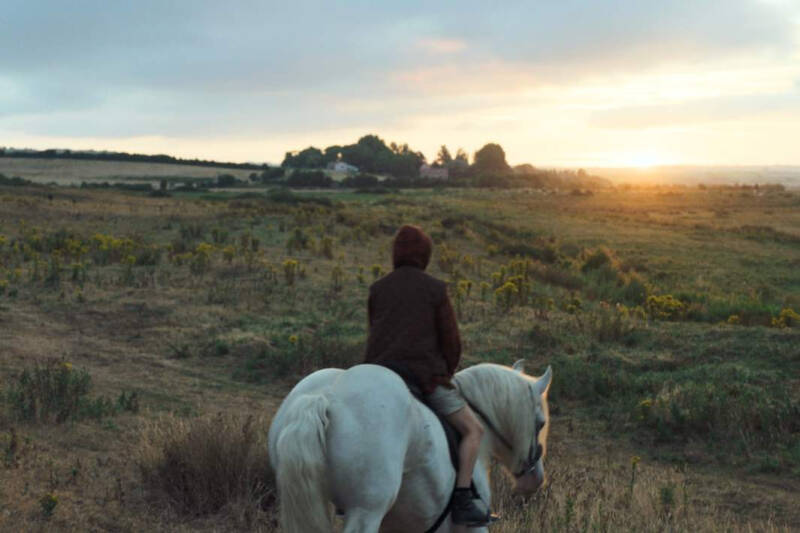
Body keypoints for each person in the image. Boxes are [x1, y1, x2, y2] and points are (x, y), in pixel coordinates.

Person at [364, 224, 497, 527]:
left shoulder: (378, 288)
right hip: (423, 377)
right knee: (474, 430)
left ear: (395, 254)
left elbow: (375, 332)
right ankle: (463, 498)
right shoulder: (435, 289)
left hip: (379, 375)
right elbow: (452, 343)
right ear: (425, 255)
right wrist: (445, 373)